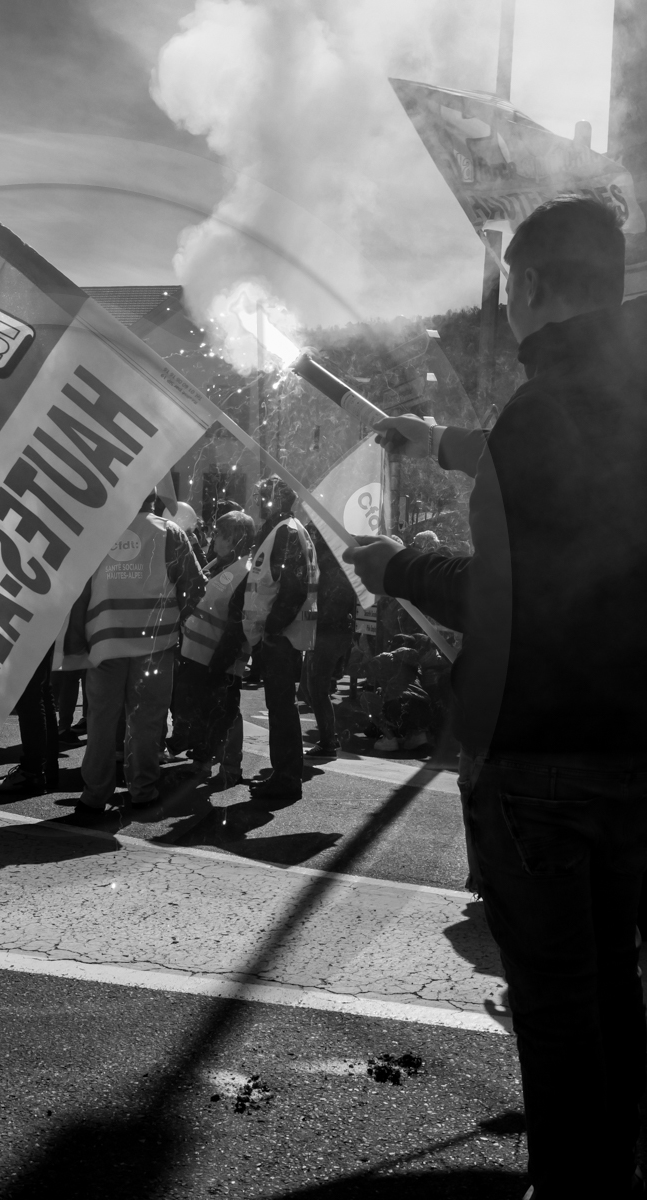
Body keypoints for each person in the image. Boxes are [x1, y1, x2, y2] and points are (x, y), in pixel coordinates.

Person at [348, 196, 647, 1200]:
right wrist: (441, 443)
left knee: (560, 1003)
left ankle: (575, 1189)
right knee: (619, 988)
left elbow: (504, 590)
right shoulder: (627, 384)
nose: (506, 310)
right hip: (633, 741)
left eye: (510, 289)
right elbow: (577, 466)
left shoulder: (540, 409)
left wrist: (399, 566)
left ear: (534, 289)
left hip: (541, 748)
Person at [65, 490, 204, 815]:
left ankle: (93, 797)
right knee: (146, 720)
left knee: (100, 720)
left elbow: (78, 588)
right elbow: (196, 584)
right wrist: (178, 617)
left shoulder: (100, 532)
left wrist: (75, 641)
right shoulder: (170, 533)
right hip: (155, 647)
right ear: (153, 501)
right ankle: (142, 791)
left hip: (106, 643)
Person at [209, 476, 318, 801]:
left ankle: (285, 780)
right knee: (280, 707)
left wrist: (270, 629)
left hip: (282, 637)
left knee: (281, 709)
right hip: (281, 636)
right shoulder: (282, 529)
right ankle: (284, 776)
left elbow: (293, 587)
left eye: (259, 496)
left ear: (274, 500)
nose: (254, 501)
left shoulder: (285, 530)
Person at [172, 509, 255, 777]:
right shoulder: (221, 563)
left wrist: (220, 663)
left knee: (227, 711)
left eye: (219, 535)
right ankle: (204, 759)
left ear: (234, 540)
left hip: (221, 659)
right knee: (210, 710)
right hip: (202, 655)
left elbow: (236, 624)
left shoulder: (245, 570)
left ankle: (229, 766)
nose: (213, 539)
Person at [302, 522, 357, 759]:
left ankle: (328, 740)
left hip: (328, 633)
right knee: (315, 687)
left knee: (317, 687)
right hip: (335, 631)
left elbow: (329, 602)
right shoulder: (337, 562)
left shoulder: (327, 563)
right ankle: (329, 736)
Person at [0, 650, 60, 795]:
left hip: (32, 629)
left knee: (29, 692)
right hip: (47, 629)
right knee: (42, 691)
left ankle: (31, 772)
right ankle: (48, 770)